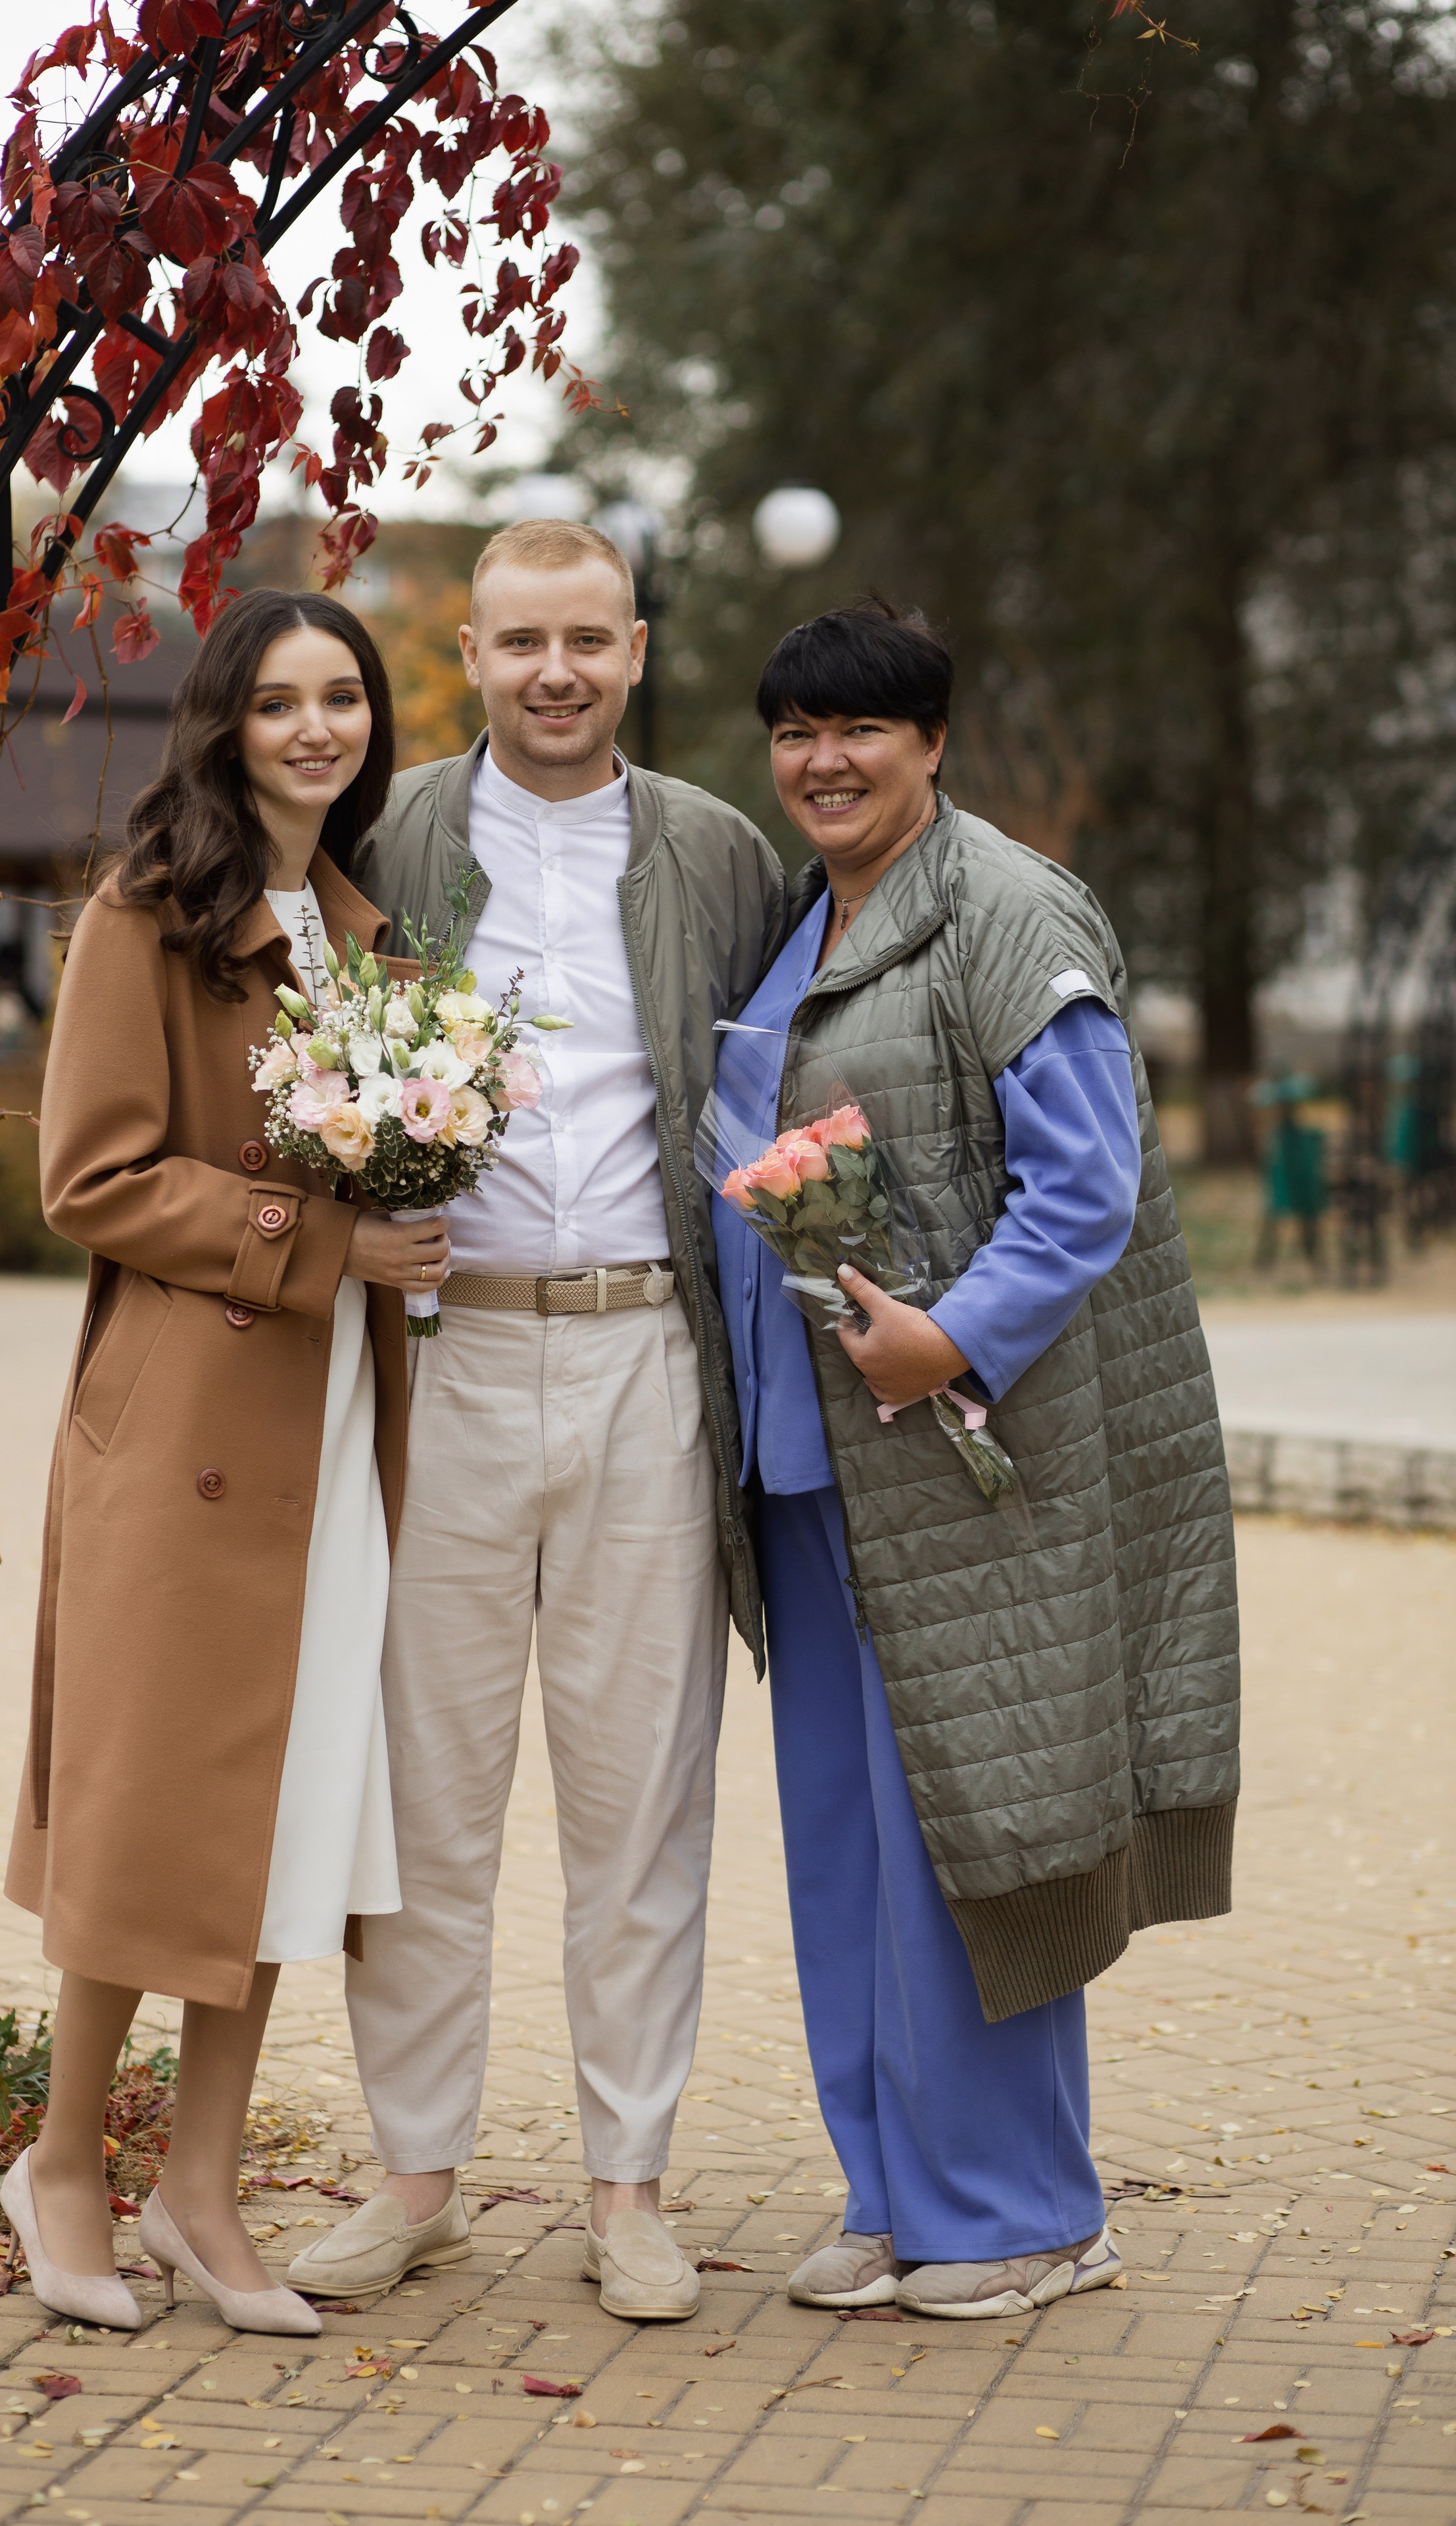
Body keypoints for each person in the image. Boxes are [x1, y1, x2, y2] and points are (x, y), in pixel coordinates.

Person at [712, 599, 1240, 2321]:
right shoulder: (815, 915)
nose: (824, 761)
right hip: (814, 1472)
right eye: (796, 731)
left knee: (979, 1842)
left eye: (860, 730)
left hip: (953, 1462)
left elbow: (1083, 1182)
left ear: (932, 744)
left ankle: (1030, 2209)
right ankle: (897, 2194)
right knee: (849, 1856)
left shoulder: (1004, 907)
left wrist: (954, 1337)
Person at [286, 518, 787, 2322]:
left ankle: (627, 2184)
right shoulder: (394, 836)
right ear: (472, 658)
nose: (555, 672)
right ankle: (413, 2174)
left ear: (637, 650)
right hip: (452, 1360)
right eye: (520, 643)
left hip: (650, 1351)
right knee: (423, 1796)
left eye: (588, 639)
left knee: (640, 1792)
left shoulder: (721, 852)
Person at [1, 589, 450, 2334]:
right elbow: (92, 1177)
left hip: (333, 1427)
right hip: (189, 1426)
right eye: (282, 702)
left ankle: (199, 2187)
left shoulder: (377, 936)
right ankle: (59, 2165)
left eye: (343, 698)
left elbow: (401, 1170)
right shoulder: (147, 913)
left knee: (290, 1802)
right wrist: (324, 1243)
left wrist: (424, 1200)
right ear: (226, 725)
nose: (319, 727)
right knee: (146, 1806)